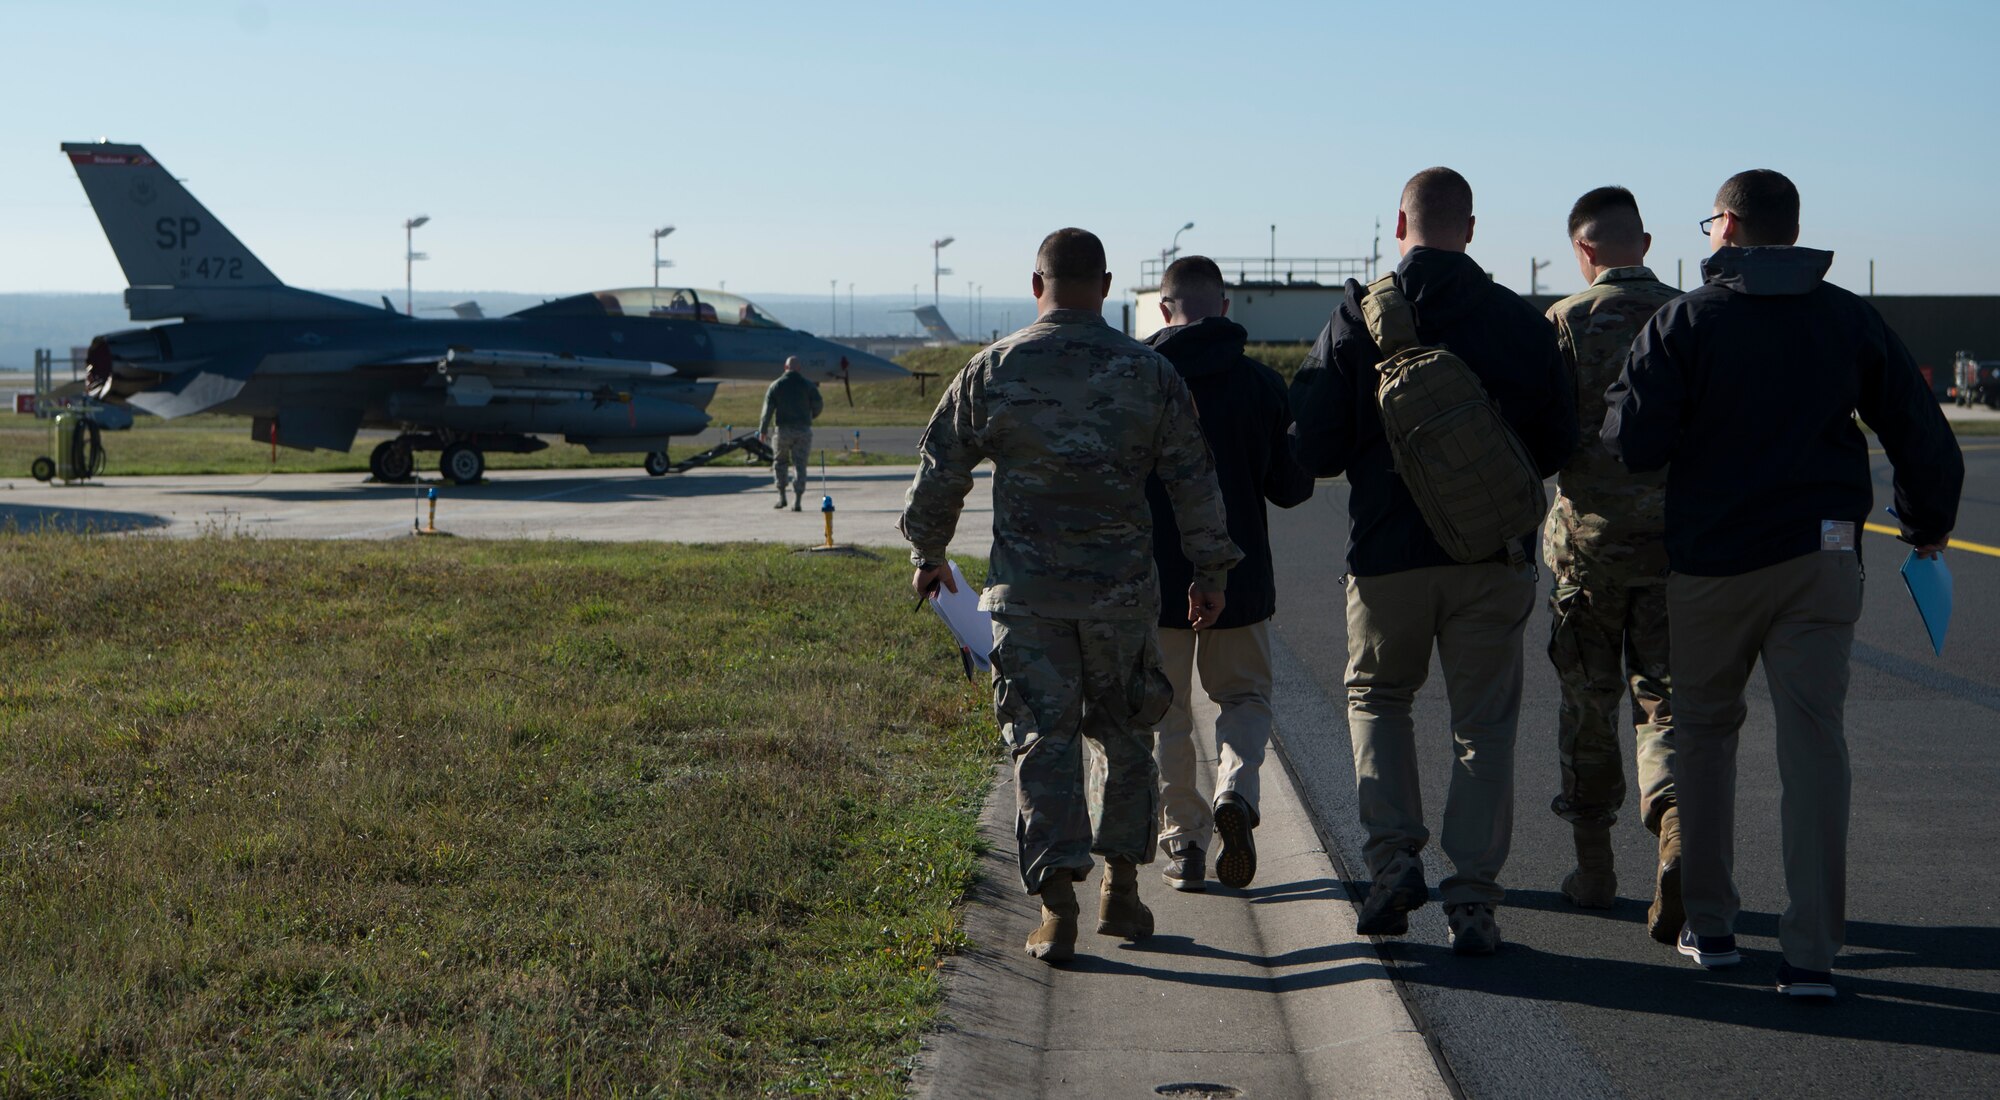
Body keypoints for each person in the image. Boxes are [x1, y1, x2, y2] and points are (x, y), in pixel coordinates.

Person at [1604, 169, 1962, 997]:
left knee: (1704, 736)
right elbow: (1919, 431)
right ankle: (1811, 954)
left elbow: (1633, 443)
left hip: (1713, 562)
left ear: (1727, 226)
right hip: (1822, 558)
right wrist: (1926, 525)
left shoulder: (1684, 321)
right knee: (1815, 748)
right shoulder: (1849, 317)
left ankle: (1715, 923)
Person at [899, 228, 1241, 964]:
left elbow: (942, 468)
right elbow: (1193, 478)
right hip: (1121, 597)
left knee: (1040, 742)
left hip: (1028, 598)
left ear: (1036, 284)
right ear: (1108, 284)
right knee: (1126, 735)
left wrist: (928, 553)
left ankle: (1057, 907)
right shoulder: (1149, 373)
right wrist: (1210, 574)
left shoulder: (995, 368)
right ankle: (1122, 884)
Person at [1290, 167, 1575, 955]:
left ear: (1398, 225)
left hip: (1387, 555)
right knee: (1482, 727)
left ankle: (1391, 864)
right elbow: (1556, 443)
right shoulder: (1520, 322)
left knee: (1380, 700)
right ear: (1472, 229)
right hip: (1493, 556)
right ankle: (1475, 899)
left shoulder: (1358, 314)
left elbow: (1310, 447)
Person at [1143, 255, 1315, 893]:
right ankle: (1236, 793)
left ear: (1165, 310)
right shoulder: (1260, 383)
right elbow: (1293, 488)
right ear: (1224, 307)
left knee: (1166, 714)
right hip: (1238, 582)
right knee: (1242, 698)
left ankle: (1183, 843)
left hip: (1154, 583)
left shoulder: (1139, 382)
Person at [1539, 188, 1683, 940]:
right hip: (1674, 551)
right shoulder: (1688, 315)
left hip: (1587, 554)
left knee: (1587, 707)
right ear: (1646, 243)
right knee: (1666, 701)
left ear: (1582, 251)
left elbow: (1540, 437)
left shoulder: (1564, 322)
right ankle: (1675, 829)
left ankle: (1594, 871)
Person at [758, 355, 822, 510]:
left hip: (783, 431)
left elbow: (767, 411)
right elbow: (818, 404)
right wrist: (810, 416)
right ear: (799, 368)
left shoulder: (776, 385)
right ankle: (798, 500)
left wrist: (763, 430)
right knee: (800, 465)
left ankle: (782, 497)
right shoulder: (808, 385)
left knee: (780, 463)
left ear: (785, 368)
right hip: (803, 431)